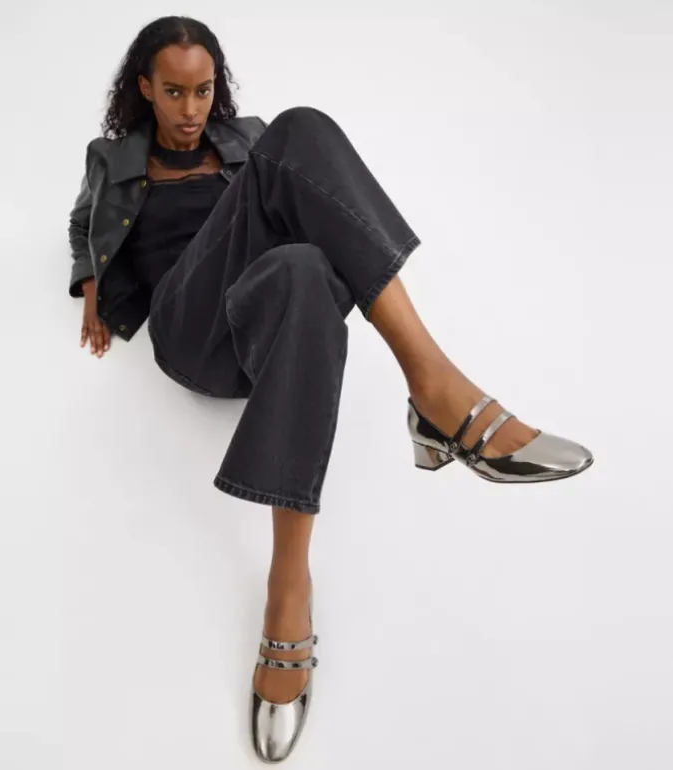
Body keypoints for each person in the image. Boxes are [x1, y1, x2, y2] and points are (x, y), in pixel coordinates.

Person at [67, 15, 594, 764]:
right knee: (300, 132)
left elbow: (294, 217)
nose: (191, 109)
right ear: (145, 89)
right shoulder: (113, 157)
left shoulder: (244, 142)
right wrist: (92, 291)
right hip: (189, 328)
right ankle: (433, 395)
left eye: (204, 90)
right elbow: (83, 222)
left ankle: (293, 577)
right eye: (174, 92)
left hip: (262, 319)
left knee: (307, 263)